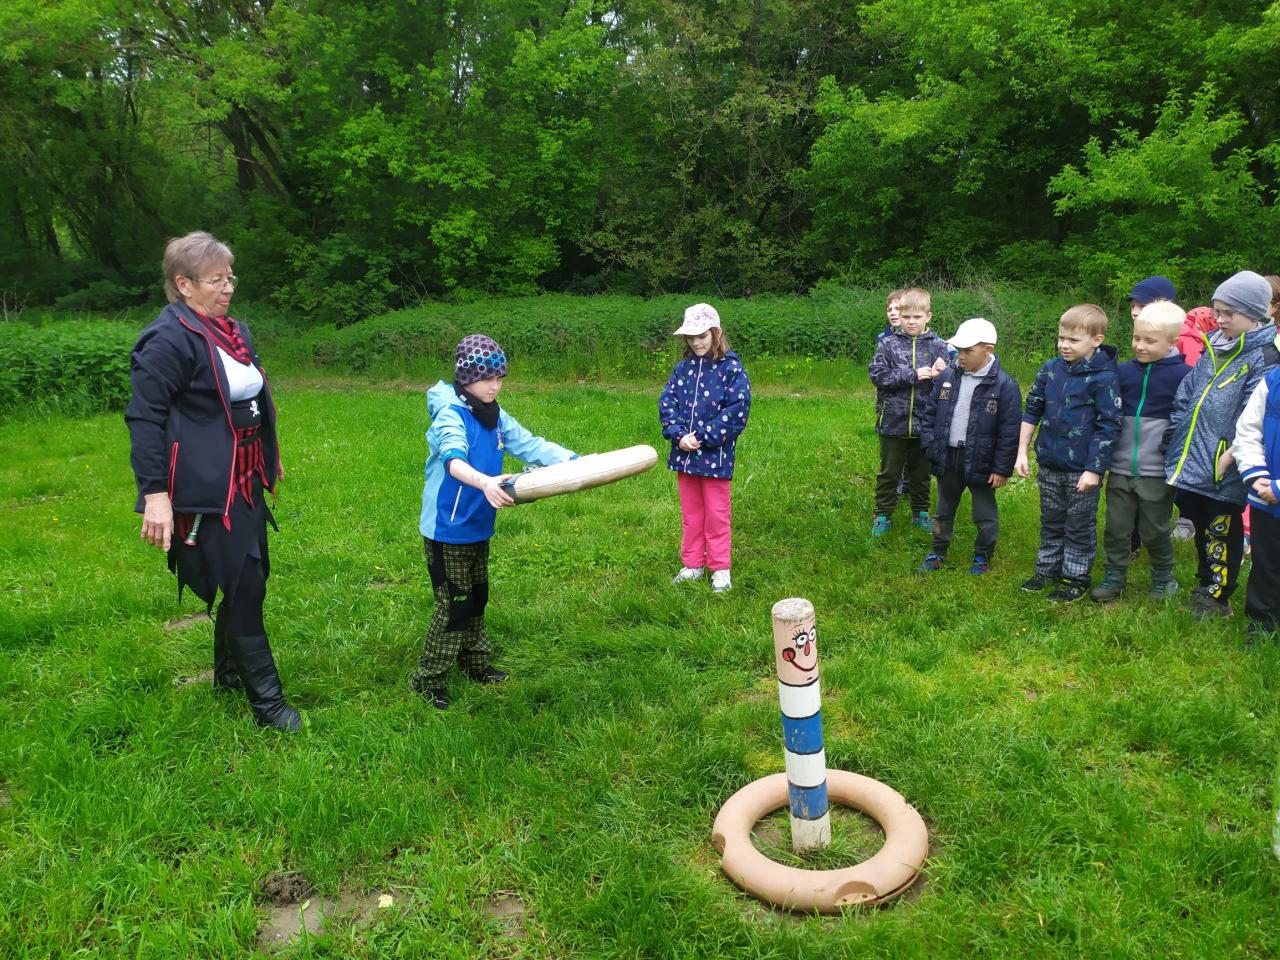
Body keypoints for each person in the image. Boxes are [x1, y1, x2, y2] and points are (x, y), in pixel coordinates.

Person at [125, 231, 300, 732]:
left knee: (250, 577)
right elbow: (145, 419)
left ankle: (228, 674)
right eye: (216, 280)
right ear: (183, 285)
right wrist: (156, 495)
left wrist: (268, 452)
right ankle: (269, 706)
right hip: (206, 487)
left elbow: (250, 398)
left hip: (244, 476)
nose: (228, 288)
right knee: (245, 586)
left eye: (230, 277)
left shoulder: (232, 330)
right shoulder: (167, 340)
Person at [411, 335, 577, 709]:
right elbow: (453, 460)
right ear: (466, 377)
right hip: (447, 529)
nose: (495, 386)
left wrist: (575, 461)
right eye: (487, 378)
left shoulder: (494, 415)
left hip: (478, 525)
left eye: (500, 378)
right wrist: (485, 482)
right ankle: (428, 680)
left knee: (477, 596)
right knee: (455, 604)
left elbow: (530, 445)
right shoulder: (450, 414)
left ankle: (474, 663)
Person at [1166, 271, 1279, 618]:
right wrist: (1176, 430)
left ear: (1255, 313)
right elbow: (1188, 391)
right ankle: (1205, 582)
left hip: (1224, 463)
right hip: (1192, 455)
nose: (1220, 318)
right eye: (1218, 310)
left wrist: (1230, 455)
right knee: (1201, 522)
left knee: (1221, 528)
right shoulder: (1214, 346)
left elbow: (1253, 415)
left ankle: (1218, 595)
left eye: (1230, 312)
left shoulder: (1264, 356)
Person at [1015, 304, 1122, 602]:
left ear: (1096, 340)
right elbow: (1032, 409)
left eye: (1073, 340)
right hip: (1049, 462)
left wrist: (1094, 469)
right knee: (1051, 519)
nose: (1064, 345)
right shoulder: (1051, 369)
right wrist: (1022, 452)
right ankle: (1046, 569)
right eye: (1061, 338)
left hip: (1082, 470)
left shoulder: (1104, 377)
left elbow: (1109, 425)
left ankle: (1074, 577)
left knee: (1078, 525)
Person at [1091, 302, 1191, 602]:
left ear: (1172, 342)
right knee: (1116, 527)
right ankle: (1114, 576)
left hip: (1157, 470)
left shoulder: (1185, 375)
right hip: (1120, 466)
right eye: (1136, 338)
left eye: (1150, 340)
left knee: (1155, 529)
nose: (1140, 346)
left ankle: (1163, 577)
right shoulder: (1122, 372)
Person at [917, 318, 1021, 575]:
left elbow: (1010, 431)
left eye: (967, 351)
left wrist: (1001, 468)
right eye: (958, 350)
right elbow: (930, 413)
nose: (960, 356)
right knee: (943, 509)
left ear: (988, 350)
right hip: (948, 456)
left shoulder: (1005, 385)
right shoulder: (947, 377)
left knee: (984, 515)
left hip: (982, 461)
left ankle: (982, 557)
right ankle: (938, 551)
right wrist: (930, 445)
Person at [659, 303, 751, 593]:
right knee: (692, 514)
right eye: (691, 337)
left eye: (702, 335)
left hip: (716, 459)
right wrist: (678, 435)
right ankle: (693, 564)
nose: (696, 342)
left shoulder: (731, 369)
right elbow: (667, 402)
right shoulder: (683, 369)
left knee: (716, 514)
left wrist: (702, 436)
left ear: (716, 333)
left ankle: (720, 568)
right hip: (684, 457)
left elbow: (737, 411)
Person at [868, 287, 948, 536]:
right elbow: (877, 375)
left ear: (928, 316)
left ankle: (921, 512)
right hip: (893, 422)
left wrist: (942, 373)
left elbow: (950, 383)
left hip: (925, 422)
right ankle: (882, 514)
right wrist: (913, 375)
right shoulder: (887, 344)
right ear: (899, 317)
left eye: (916, 317)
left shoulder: (939, 346)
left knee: (921, 473)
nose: (911, 322)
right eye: (906, 317)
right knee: (889, 472)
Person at [1233, 356, 1280, 642]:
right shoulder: (1273, 381)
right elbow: (1248, 430)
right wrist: (1255, 473)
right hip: (1266, 498)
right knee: (1266, 564)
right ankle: (1262, 624)